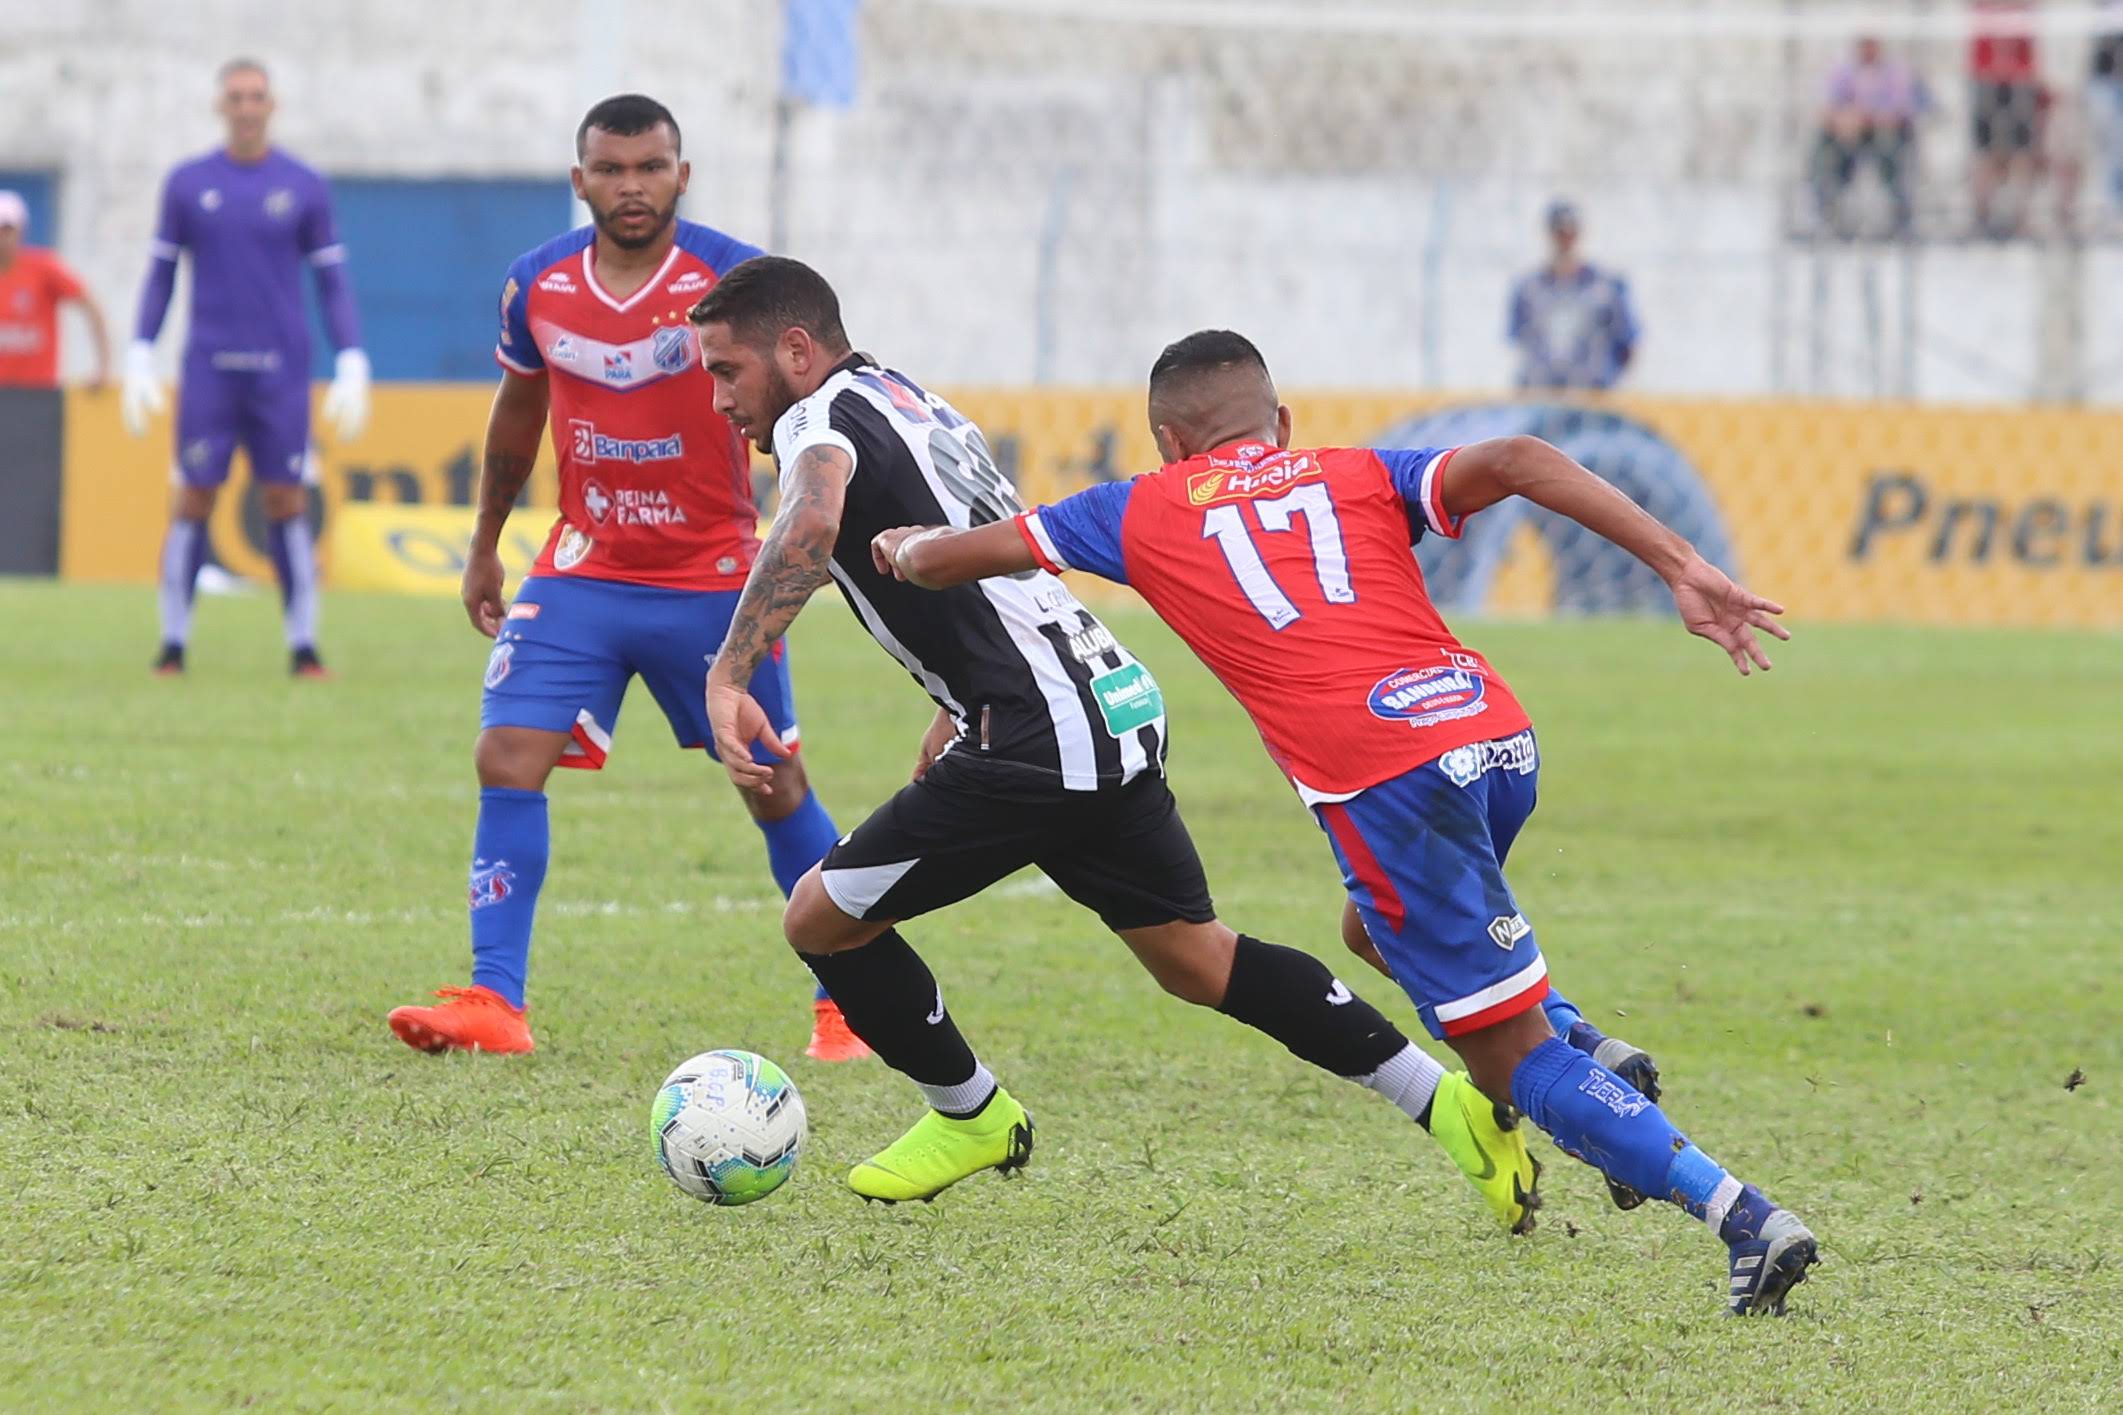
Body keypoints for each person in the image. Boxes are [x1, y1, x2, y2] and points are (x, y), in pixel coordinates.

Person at [687, 254, 1664, 1235]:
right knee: (1196, 959)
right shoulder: (908, 400)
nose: (719, 396)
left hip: (1038, 729)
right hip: (1100, 700)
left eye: (727, 371)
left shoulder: (816, 421)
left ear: (796, 350)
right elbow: (970, 547)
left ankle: (970, 1114)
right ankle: (1447, 1104)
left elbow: (811, 525)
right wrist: (955, 696)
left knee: (817, 918)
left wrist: (729, 674)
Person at [872, 331, 1818, 1317]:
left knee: (1508, 1055)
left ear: (1164, 440)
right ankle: (1590, 1050)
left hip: (1389, 782)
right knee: (1369, 928)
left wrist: (901, 546)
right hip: (1490, 736)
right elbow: (1522, 458)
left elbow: (954, 560)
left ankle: (1742, 1215)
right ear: (1280, 422)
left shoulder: (1134, 508)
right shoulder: (1355, 471)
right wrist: (1679, 562)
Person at [384, 97, 864, 1064]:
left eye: (651, 166)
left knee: (773, 781)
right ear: (580, 181)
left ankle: (846, 1001)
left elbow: (808, 411)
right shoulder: (539, 285)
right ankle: (494, 1000)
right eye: (612, 169)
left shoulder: (733, 281)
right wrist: (485, 539)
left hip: (713, 576)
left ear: (682, 174)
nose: (632, 185)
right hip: (584, 569)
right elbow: (517, 418)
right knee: (504, 756)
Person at [122, 58, 369, 677]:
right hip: (210, 367)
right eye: (236, 97)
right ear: (220, 106)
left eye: (256, 96)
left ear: (271, 105)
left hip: (280, 370)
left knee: (285, 497)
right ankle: (173, 645)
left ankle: (304, 646)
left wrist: (352, 358)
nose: (246, 107)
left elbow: (332, 281)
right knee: (194, 496)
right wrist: (140, 349)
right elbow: (160, 273)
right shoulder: (188, 183)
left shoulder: (304, 184)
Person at [1505, 201, 1638, 392]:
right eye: (1560, 232)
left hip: (1593, 399)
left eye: (1571, 231)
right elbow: (1520, 344)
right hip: (1542, 399)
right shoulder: (1528, 289)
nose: (1566, 239)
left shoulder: (1607, 287)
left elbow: (1629, 344)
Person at [1812, 36, 1926, 236]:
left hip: (1886, 134)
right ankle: (1828, 211)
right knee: (1827, 150)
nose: (1868, 49)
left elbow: (1902, 109)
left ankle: (1900, 216)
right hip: (1850, 134)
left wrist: (1868, 117)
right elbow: (1827, 107)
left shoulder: (1895, 71)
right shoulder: (1843, 71)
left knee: (1891, 145)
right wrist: (1844, 118)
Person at [0, 191, 111, 390]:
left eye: (7, 229)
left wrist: (102, 367)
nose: (2, 237)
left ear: (21, 231)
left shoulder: (43, 268)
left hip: (39, 394)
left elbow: (91, 306)